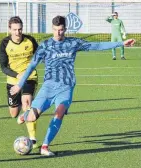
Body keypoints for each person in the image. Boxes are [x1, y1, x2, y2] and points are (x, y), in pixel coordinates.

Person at [10, 15, 135, 156]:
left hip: (66, 87)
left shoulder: (73, 43)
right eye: (56, 30)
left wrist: (121, 43)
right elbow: (32, 65)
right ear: (52, 29)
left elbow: (97, 46)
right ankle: (25, 116)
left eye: (61, 30)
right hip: (48, 87)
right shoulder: (45, 45)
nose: (58, 33)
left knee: (60, 112)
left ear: (65, 29)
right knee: (32, 117)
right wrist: (20, 85)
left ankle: (45, 146)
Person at [0, 16, 38, 148]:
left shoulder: (30, 40)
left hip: (29, 77)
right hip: (13, 80)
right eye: (15, 30)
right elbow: (3, 67)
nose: (18, 33)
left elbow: (40, 55)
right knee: (13, 113)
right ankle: (22, 115)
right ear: (9, 29)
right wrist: (17, 75)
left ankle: (32, 139)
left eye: (20, 29)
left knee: (27, 102)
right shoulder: (5, 43)